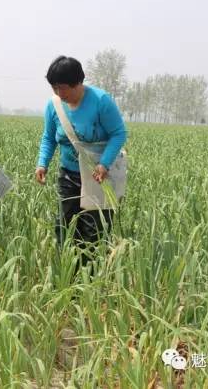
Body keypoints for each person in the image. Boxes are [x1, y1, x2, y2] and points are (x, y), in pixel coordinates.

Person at [35, 55, 127, 271]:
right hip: (69, 174)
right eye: (54, 88)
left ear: (78, 83)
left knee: (93, 231)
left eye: (63, 87)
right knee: (64, 226)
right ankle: (67, 273)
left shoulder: (100, 101)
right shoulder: (55, 106)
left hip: (98, 177)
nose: (58, 93)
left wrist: (104, 164)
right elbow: (48, 137)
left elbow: (119, 133)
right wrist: (42, 164)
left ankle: (91, 278)